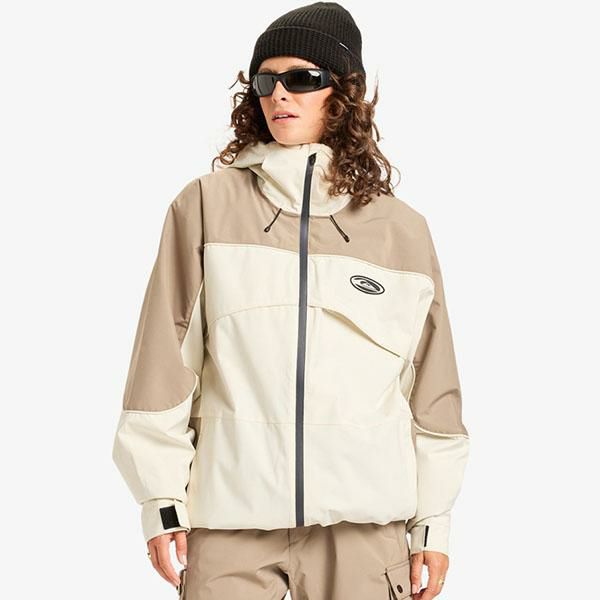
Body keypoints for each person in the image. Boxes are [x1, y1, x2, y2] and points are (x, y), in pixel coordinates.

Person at [111, 2, 470, 599]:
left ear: (344, 93)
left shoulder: (401, 231)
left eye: (302, 78)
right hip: (229, 521)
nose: (279, 94)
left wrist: (433, 521)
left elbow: (432, 389)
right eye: (265, 80)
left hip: (363, 526)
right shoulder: (206, 206)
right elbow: (162, 365)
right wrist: (161, 499)